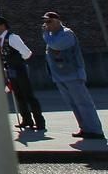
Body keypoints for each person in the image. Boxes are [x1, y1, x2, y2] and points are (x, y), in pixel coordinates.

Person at [42, 11, 104, 139]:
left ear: (58, 20)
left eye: (49, 21)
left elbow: (56, 45)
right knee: (74, 104)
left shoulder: (66, 34)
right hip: (60, 76)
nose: (46, 24)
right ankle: (85, 128)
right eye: (45, 22)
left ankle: (95, 130)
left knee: (83, 103)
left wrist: (46, 34)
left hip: (72, 75)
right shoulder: (52, 35)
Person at [0, 15, 45, 131]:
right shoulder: (0, 39)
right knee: (18, 96)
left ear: (2, 26)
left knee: (29, 96)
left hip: (19, 69)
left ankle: (39, 121)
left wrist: (17, 61)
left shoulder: (12, 38)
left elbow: (26, 53)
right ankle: (26, 119)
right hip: (11, 70)